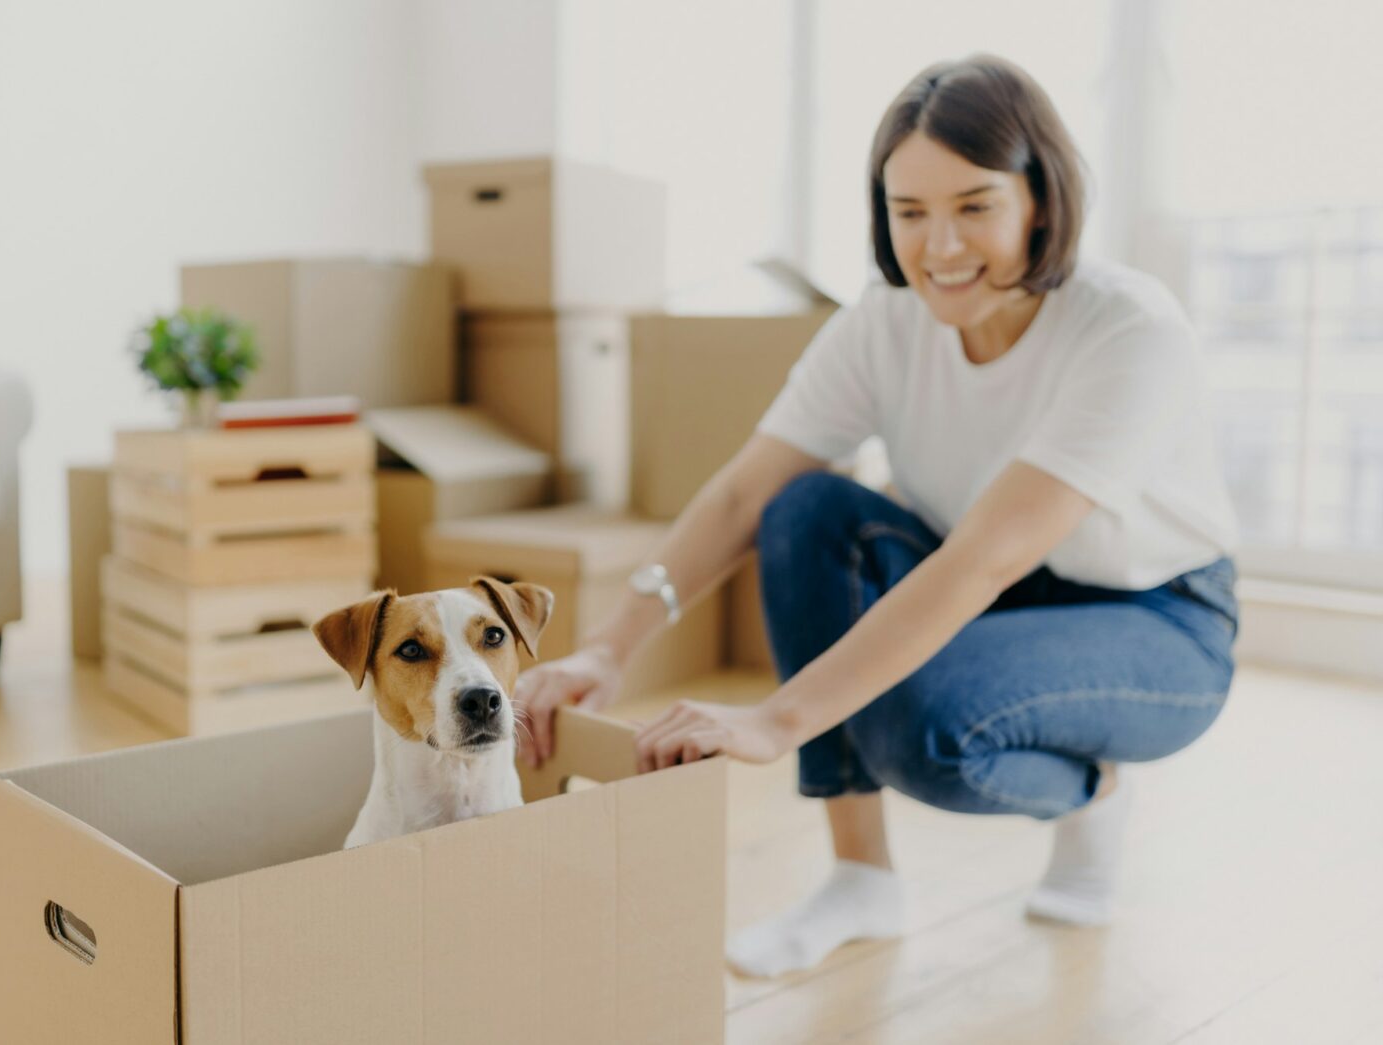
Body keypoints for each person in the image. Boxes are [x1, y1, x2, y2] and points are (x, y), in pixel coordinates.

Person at [512, 53, 1239, 979]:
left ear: (1042, 202)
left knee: (922, 730)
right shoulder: (882, 323)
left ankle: (1090, 792)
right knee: (804, 508)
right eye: (910, 213)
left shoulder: (1129, 330)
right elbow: (744, 492)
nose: (940, 248)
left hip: (1157, 616)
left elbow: (984, 558)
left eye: (975, 205)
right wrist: (610, 646)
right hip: (984, 588)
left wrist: (776, 720)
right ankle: (862, 878)